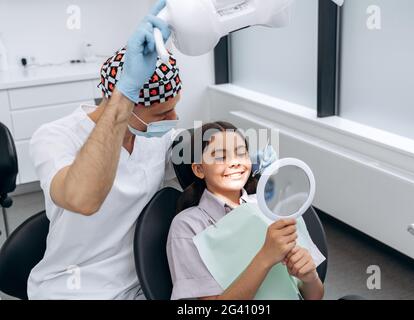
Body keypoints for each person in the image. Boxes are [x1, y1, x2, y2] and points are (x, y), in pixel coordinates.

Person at [27, 0, 182, 299]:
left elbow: (203, 150)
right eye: (163, 114)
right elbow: (83, 198)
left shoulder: (155, 136)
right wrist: (125, 92)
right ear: (125, 104)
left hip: (142, 280)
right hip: (73, 288)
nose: (173, 120)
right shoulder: (54, 137)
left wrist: (240, 152)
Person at [167, 122, 325, 300]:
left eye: (241, 153)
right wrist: (266, 257)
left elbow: (315, 296)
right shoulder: (188, 226)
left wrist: (310, 277)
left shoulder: (269, 206)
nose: (235, 162)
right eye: (220, 156)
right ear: (199, 169)